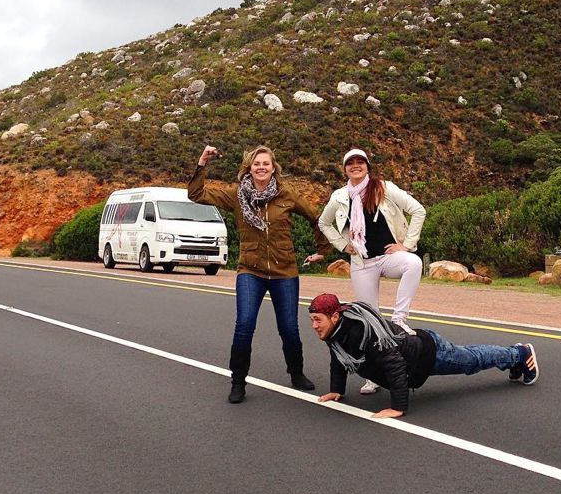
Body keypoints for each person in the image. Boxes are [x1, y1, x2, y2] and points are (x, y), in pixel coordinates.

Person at [189, 144, 331, 403]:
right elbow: (196, 194)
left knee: (289, 328)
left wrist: (323, 250)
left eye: (266, 163)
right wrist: (202, 164)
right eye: (257, 163)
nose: (261, 167)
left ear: (273, 167)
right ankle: (238, 382)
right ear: (249, 168)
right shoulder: (236, 195)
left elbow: (316, 217)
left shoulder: (287, 194)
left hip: (284, 270)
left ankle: (296, 373)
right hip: (250, 270)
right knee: (244, 325)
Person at [307, 293, 539, 419]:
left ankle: (520, 353)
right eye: (312, 320)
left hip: (427, 353)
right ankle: (514, 358)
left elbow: (395, 365)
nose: (314, 326)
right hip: (414, 352)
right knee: (471, 357)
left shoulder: (362, 333)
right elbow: (339, 357)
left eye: (318, 320)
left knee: (472, 360)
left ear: (335, 316)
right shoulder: (336, 332)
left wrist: (397, 407)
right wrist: (337, 389)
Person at [318, 147, 426, 395]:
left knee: (413, 263)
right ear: (344, 169)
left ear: (367, 166)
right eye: (350, 163)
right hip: (362, 263)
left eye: (360, 162)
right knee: (369, 321)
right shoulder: (340, 196)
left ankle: (399, 319)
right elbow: (324, 222)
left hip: (387, 257)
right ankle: (373, 376)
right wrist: (342, 245)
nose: (355, 166)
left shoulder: (384, 188)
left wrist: (406, 244)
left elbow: (418, 210)